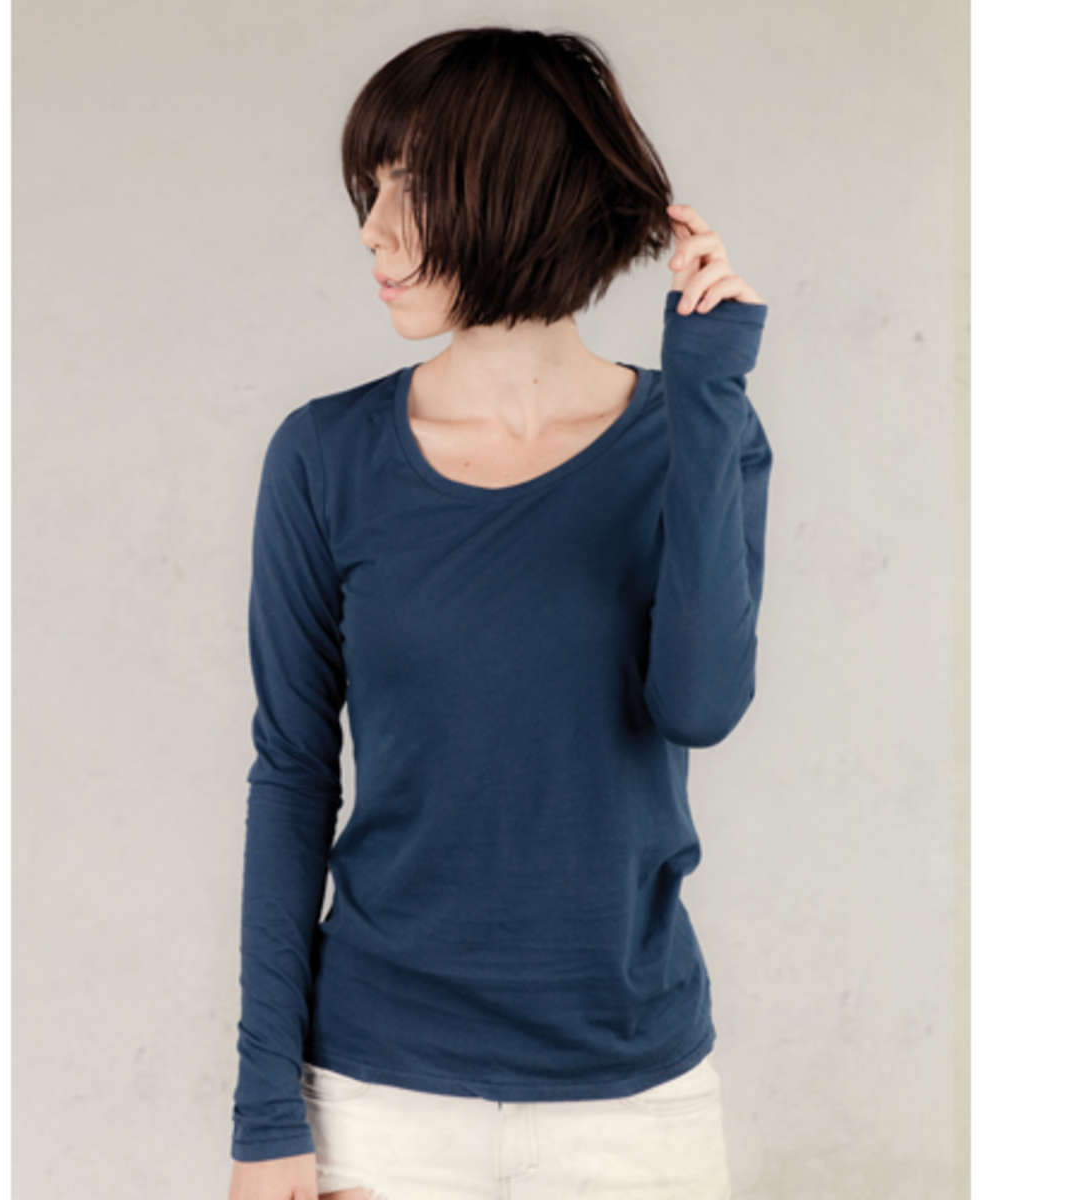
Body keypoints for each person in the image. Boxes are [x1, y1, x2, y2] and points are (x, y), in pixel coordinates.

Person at [227, 24, 771, 1200]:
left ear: (518, 192)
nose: (371, 230)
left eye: (408, 188)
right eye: (368, 190)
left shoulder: (695, 432)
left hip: (638, 1106)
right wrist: (266, 1116)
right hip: (377, 1101)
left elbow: (700, 703)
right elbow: (293, 778)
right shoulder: (324, 459)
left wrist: (711, 390)